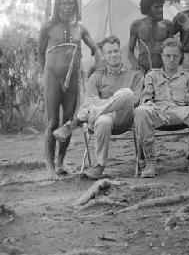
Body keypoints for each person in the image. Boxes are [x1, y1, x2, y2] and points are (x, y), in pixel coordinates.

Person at [53, 35, 144, 179]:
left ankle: (75, 122)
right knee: (103, 121)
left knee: (126, 94)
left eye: (116, 51)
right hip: (104, 118)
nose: (113, 55)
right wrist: (109, 106)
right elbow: (90, 102)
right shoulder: (96, 77)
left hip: (126, 117)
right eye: (109, 52)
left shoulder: (135, 74)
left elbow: (136, 100)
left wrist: (111, 102)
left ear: (120, 52)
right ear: (103, 56)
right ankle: (100, 165)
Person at [39, 0, 101, 180]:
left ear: (75, 7)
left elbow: (95, 47)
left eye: (71, 4)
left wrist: (97, 60)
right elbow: (40, 53)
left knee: (67, 121)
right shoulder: (48, 27)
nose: (67, 7)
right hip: (52, 79)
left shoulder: (79, 28)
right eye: (63, 4)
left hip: (72, 79)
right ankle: (49, 167)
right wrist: (46, 75)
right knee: (52, 123)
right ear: (57, 7)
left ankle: (60, 163)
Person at [134, 38, 189, 177]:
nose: (171, 59)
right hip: (160, 111)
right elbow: (146, 94)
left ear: (180, 56)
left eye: (175, 56)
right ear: (162, 57)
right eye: (167, 56)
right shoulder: (152, 75)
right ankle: (150, 162)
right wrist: (147, 101)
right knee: (141, 111)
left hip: (184, 110)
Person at [128, 0, 175, 73]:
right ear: (147, 8)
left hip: (162, 72)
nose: (160, 10)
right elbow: (130, 52)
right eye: (156, 7)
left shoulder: (167, 26)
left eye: (161, 6)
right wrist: (136, 66)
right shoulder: (137, 25)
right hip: (142, 71)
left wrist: (166, 71)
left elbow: (172, 51)